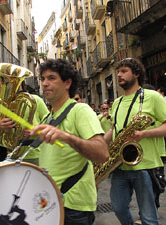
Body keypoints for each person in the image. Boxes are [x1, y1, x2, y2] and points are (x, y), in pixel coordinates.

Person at [30, 59, 109, 225]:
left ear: (67, 83)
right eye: (42, 79)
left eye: (51, 78)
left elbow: (102, 153)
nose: (45, 83)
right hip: (50, 201)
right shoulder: (48, 117)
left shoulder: (80, 110)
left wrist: (66, 137)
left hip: (74, 206)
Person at [104, 58, 166, 225]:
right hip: (119, 165)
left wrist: (144, 134)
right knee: (118, 207)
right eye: (118, 71)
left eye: (124, 71)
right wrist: (99, 144)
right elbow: (113, 129)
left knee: (148, 217)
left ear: (136, 74)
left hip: (145, 165)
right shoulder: (117, 102)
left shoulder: (152, 97)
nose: (119, 75)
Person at [0, 85, 49, 165]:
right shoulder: (3, 104)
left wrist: (34, 131)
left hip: (32, 154)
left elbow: (51, 126)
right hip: (8, 155)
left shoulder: (36, 100)